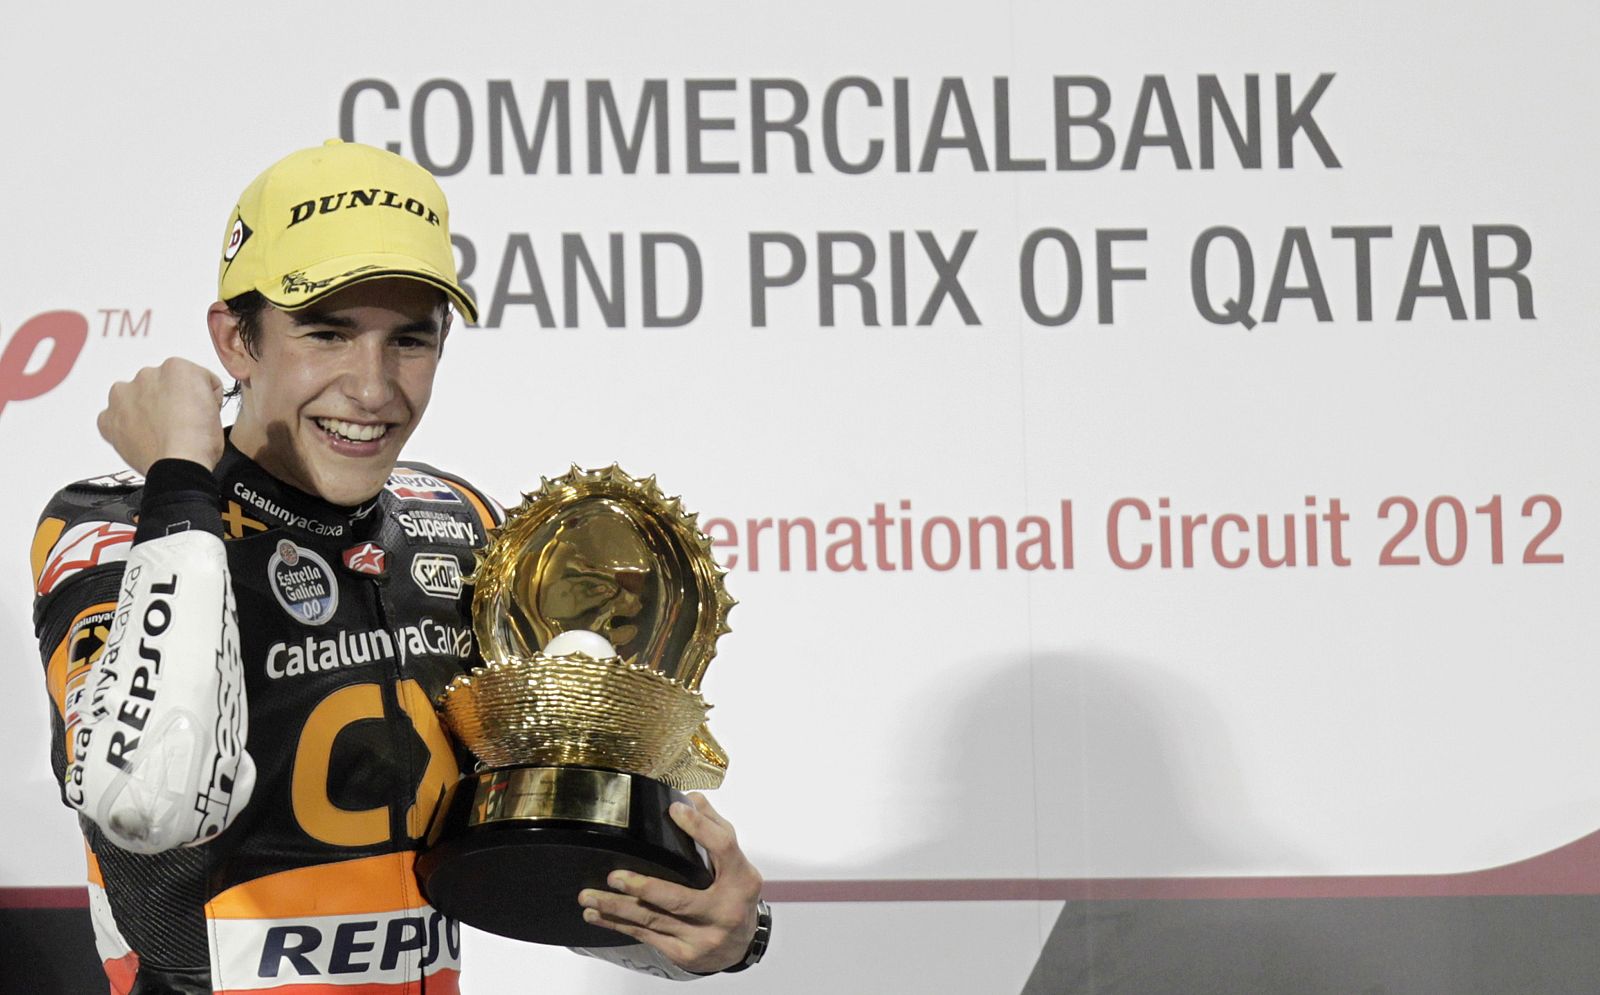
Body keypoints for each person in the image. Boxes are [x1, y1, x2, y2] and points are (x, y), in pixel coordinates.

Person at [30, 139, 768, 993]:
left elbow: (534, 848)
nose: (375, 388)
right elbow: (146, 800)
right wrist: (182, 486)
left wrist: (703, 931)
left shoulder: (463, 525)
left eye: (410, 341)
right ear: (236, 338)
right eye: (327, 333)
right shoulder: (117, 524)